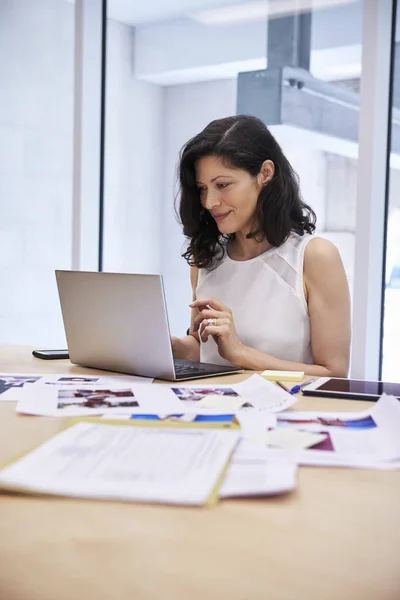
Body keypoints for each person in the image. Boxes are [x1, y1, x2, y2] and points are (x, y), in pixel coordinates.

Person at [171, 115, 351, 377]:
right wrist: (171, 347)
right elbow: (204, 350)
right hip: (215, 411)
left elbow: (333, 373)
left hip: (287, 414)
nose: (209, 202)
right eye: (201, 189)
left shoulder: (315, 256)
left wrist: (241, 353)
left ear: (265, 173)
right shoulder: (205, 259)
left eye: (222, 185)